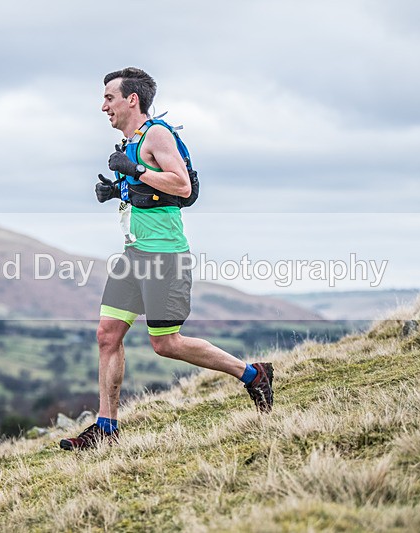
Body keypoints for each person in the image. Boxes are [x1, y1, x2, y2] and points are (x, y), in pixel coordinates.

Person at [60, 67, 274, 451]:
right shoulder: (130, 142)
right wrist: (118, 190)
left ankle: (252, 374)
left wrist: (136, 170)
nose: (103, 106)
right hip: (133, 254)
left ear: (132, 100)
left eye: (109, 97)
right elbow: (149, 192)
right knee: (107, 335)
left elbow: (182, 185)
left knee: (166, 343)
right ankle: (106, 429)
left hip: (164, 256)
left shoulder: (156, 134)